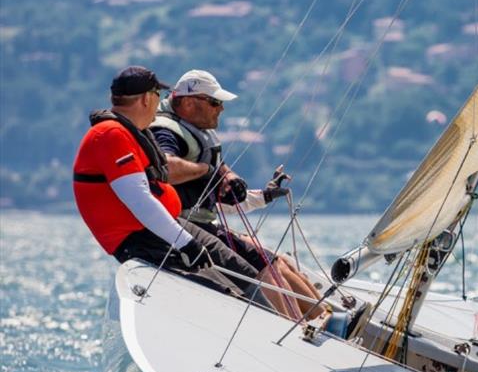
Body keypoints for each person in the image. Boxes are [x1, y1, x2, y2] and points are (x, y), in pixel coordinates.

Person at [72, 66, 269, 307]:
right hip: (145, 240)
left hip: (168, 229)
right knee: (229, 296)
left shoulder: (131, 132)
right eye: (158, 96)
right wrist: (185, 243)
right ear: (146, 98)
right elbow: (139, 199)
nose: (161, 103)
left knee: (248, 278)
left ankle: (284, 330)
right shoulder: (111, 134)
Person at [150, 69, 325, 319]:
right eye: (214, 102)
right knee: (267, 264)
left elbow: (214, 171)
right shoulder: (165, 131)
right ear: (188, 103)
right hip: (184, 226)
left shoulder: (195, 129)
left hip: (203, 222)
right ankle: (302, 325)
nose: (220, 109)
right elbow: (168, 167)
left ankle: (325, 317)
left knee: (278, 262)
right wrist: (210, 171)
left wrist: (235, 180)